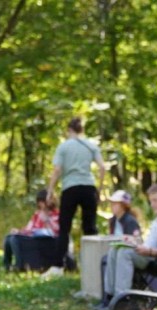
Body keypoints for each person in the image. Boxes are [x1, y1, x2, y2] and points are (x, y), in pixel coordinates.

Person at [98, 183, 157, 308]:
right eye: (151, 201)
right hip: (153, 258)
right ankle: (109, 297)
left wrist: (148, 251)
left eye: (155, 200)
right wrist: (132, 242)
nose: (152, 205)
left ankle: (121, 300)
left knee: (124, 253)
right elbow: (148, 245)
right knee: (116, 249)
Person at [43, 117, 105, 278]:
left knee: (64, 227)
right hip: (88, 187)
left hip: (70, 188)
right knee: (90, 227)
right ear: (82, 130)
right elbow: (102, 167)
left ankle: (57, 267)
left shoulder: (63, 147)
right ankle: (93, 267)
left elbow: (57, 170)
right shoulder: (91, 145)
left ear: (69, 130)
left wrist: (50, 190)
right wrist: (99, 189)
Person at [97, 190, 143, 306]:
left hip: (130, 254)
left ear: (123, 205)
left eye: (115, 203)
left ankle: (120, 298)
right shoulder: (113, 221)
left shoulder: (130, 221)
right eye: (111, 203)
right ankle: (109, 295)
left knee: (120, 252)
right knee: (110, 255)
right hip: (116, 252)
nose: (112, 206)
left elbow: (135, 241)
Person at [2, 190, 60, 271]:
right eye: (39, 202)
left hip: (47, 241)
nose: (41, 204)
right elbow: (29, 228)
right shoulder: (37, 214)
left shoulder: (57, 215)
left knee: (14, 240)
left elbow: (55, 232)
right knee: (9, 237)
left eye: (42, 202)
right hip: (34, 237)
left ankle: (19, 265)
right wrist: (19, 231)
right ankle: (7, 265)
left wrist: (47, 220)